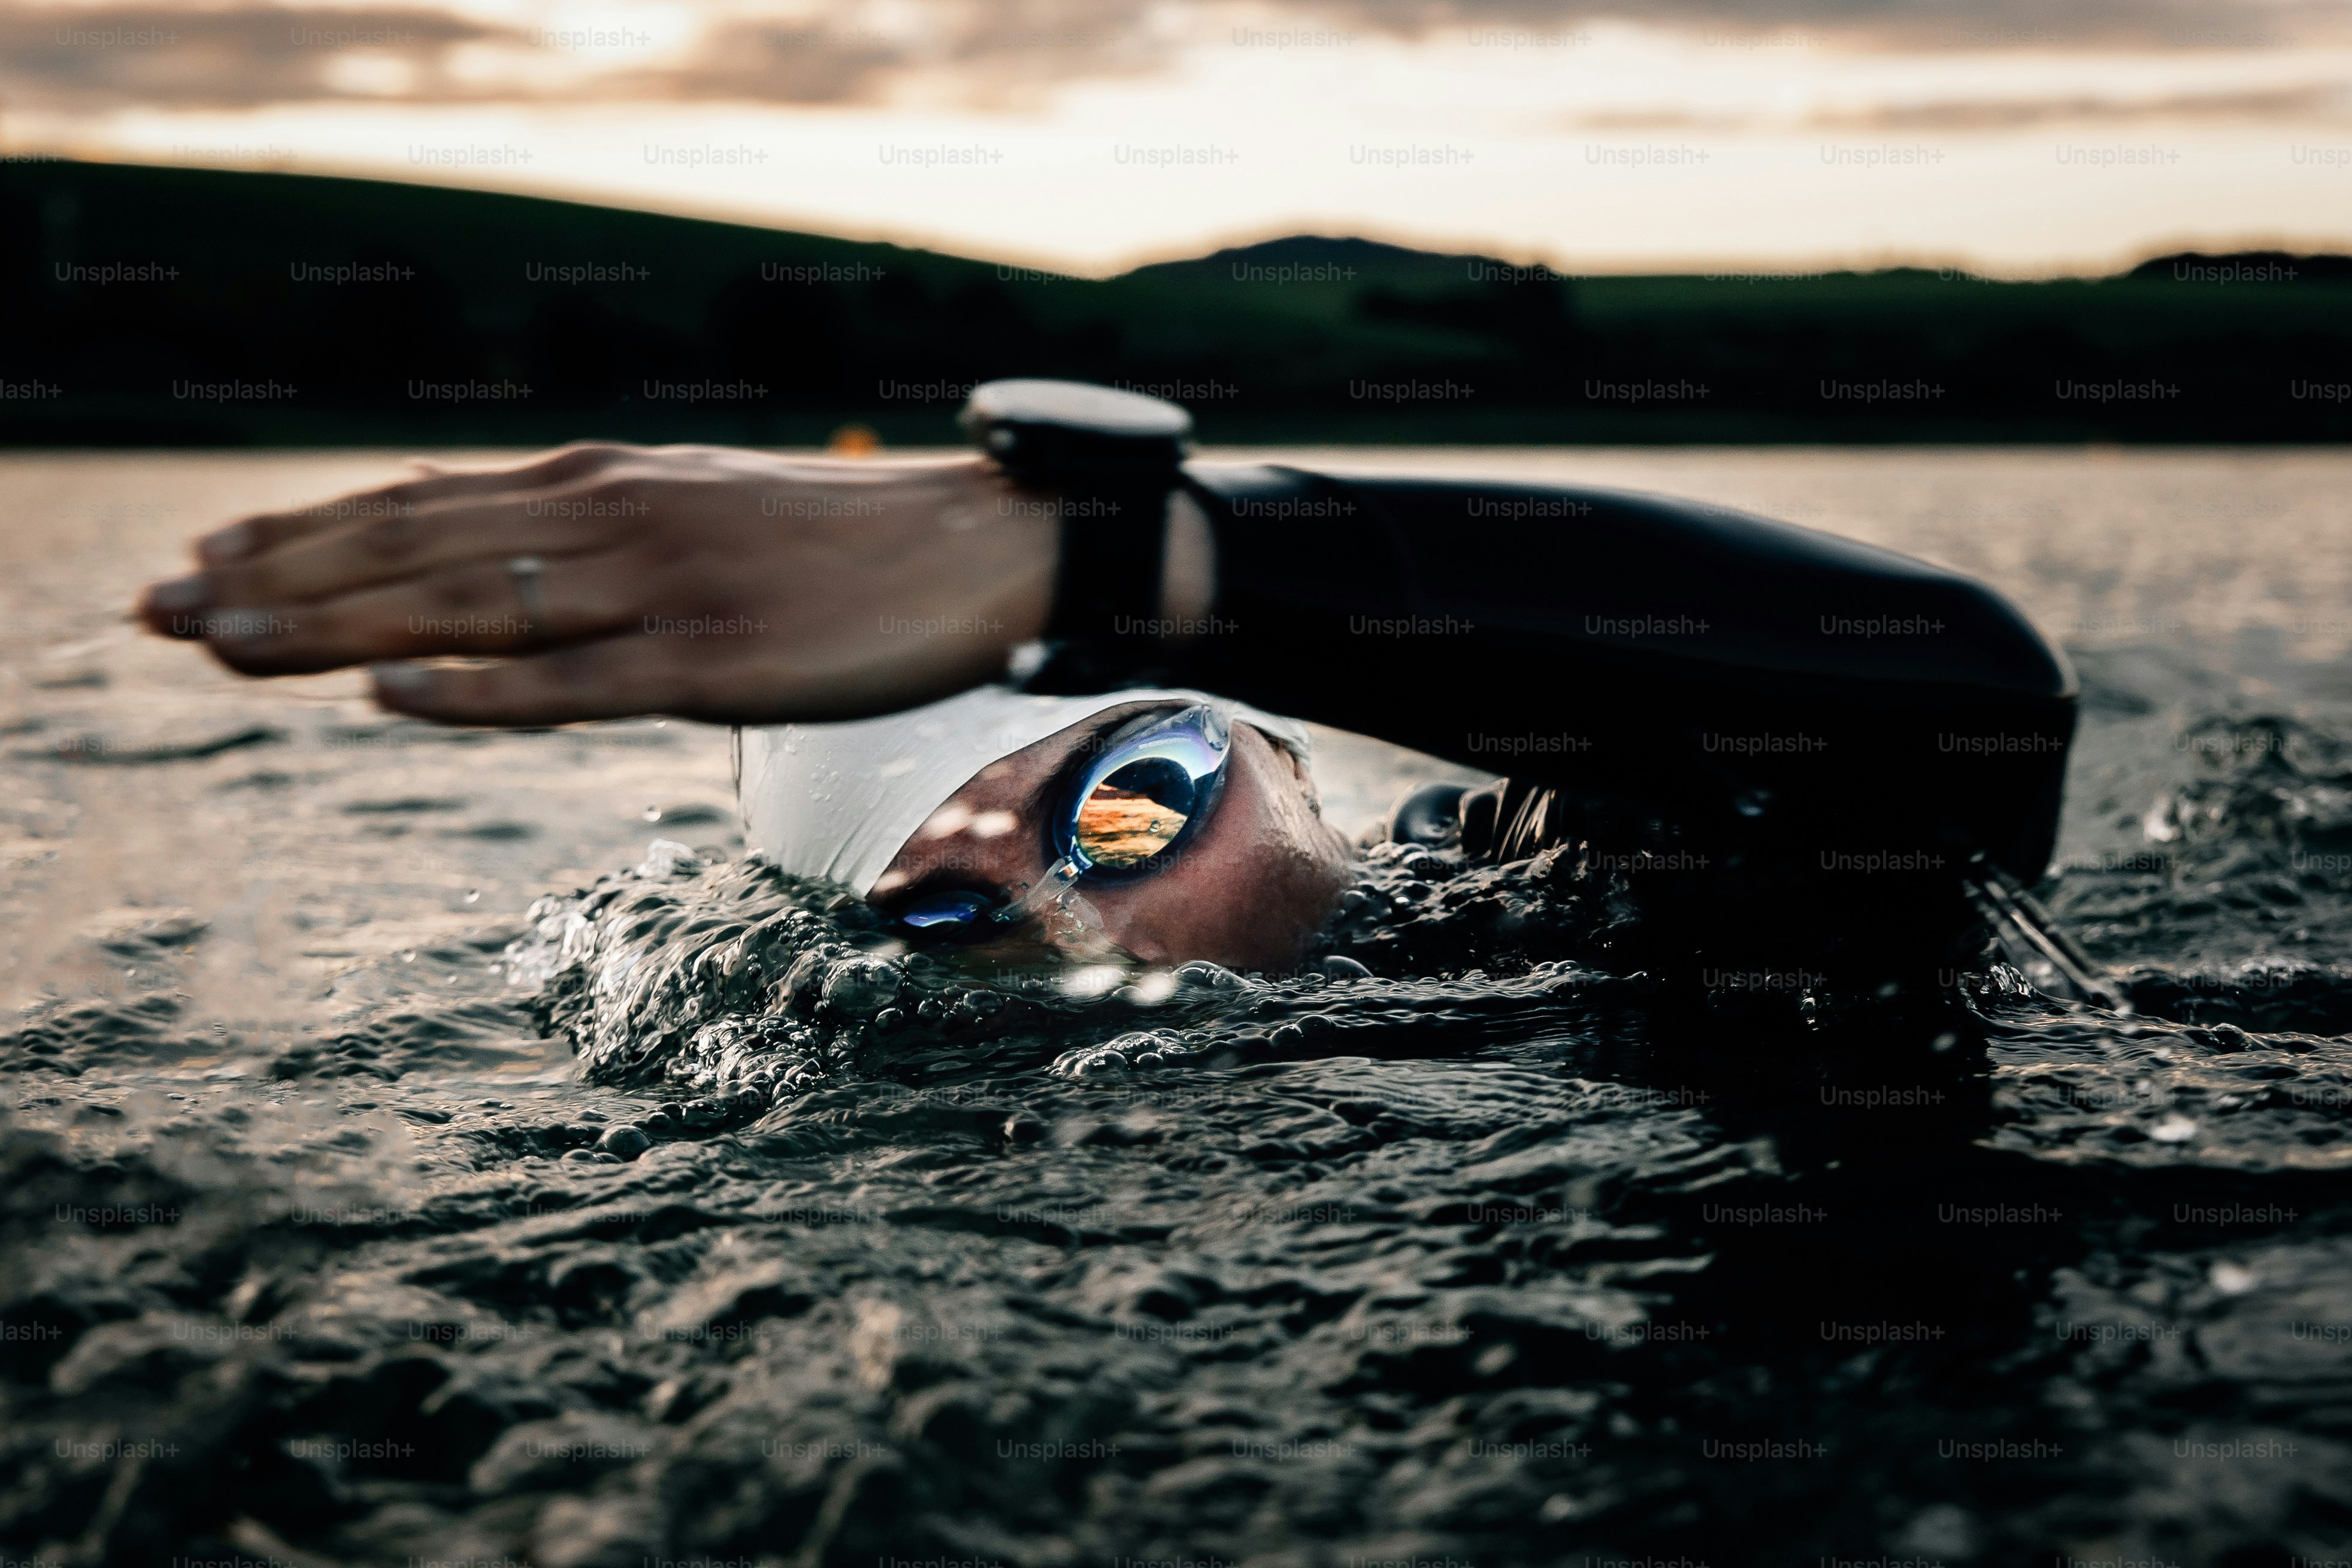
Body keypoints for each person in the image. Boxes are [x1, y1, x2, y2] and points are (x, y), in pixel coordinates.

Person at [135, 381, 2082, 989]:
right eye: (958, 907)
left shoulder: (1600, 880)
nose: (1083, 917)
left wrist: (1109, 550)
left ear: (1276, 750)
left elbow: (1959, 704)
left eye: (1122, 808)